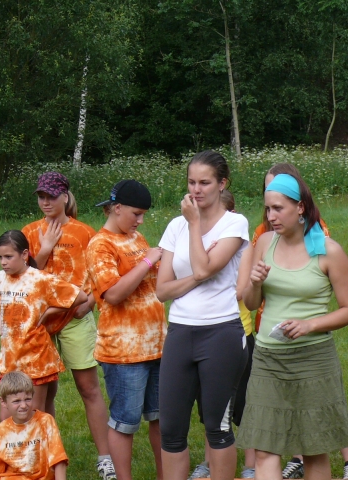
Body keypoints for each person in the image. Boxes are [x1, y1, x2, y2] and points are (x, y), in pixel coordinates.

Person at [238, 173, 348, 480]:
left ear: (300, 207)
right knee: (264, 449)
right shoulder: (265, 242)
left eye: (278, 208)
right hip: (267, 359)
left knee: (314, 449)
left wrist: (309, 325)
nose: (271, 216)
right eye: (268, 209)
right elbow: (251, 304)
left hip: (313, 360)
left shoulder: (329, 251)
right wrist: (255, 283)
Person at [156, 150, 250, 480]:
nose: (196, 190)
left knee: (217, 427)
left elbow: (204, 267)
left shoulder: (234, 223)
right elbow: (162, 290)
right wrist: (198, 277)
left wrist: (195, 224)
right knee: (171, 428)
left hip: (221, 332)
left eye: (205, 183)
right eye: (191, 182)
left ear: (222, 184)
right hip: (180, 332)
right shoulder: (175, 226)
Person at [22, 172, 114, 480]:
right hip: (40, 322)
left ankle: (106, 458)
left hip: (75, 319)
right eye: (41, 196)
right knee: (42, 391)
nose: (45, 202)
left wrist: (90, 302)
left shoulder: (85, 232)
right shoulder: (29, 233)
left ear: (65, 196)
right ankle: (45, 458)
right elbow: (21, 277)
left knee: (88, 388)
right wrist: (44, 248)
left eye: (51, 196)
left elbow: (101, 273)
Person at [86, 179, 166, 480]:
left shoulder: (137, 238)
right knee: (125, 423)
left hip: (156, 346)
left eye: (143, 214)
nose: (140, 220)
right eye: (136, 214)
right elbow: (114, 294)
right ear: (117, 208)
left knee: (160, 418)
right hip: (123, 353)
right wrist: (147, 261)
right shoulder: (100, 245)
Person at [187, 189, 257, 480]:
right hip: (203, 332)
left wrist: (210, 266)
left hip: (237, 332)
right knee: (210, 404)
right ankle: (208, 462)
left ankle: (251, 464)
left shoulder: (242, 245)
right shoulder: (195, 241)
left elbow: (240, 290)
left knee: (245, 402)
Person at [0, 230, 87, 419]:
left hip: (36, 358)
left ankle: (45, 439)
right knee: (6, 417)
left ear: (24, 255)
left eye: (8, 257)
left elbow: (80, 296)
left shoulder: (40, 279)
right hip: (10, 358)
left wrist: (48, 312)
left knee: (34, 416)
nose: (3, 262)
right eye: (0, 257)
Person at [0, 371, 68, 480]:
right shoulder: (0, 430)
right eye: (16, 401)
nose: (23, 405)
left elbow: (59, 460)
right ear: (3, 402)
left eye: (28, 399)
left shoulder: (46, 421)